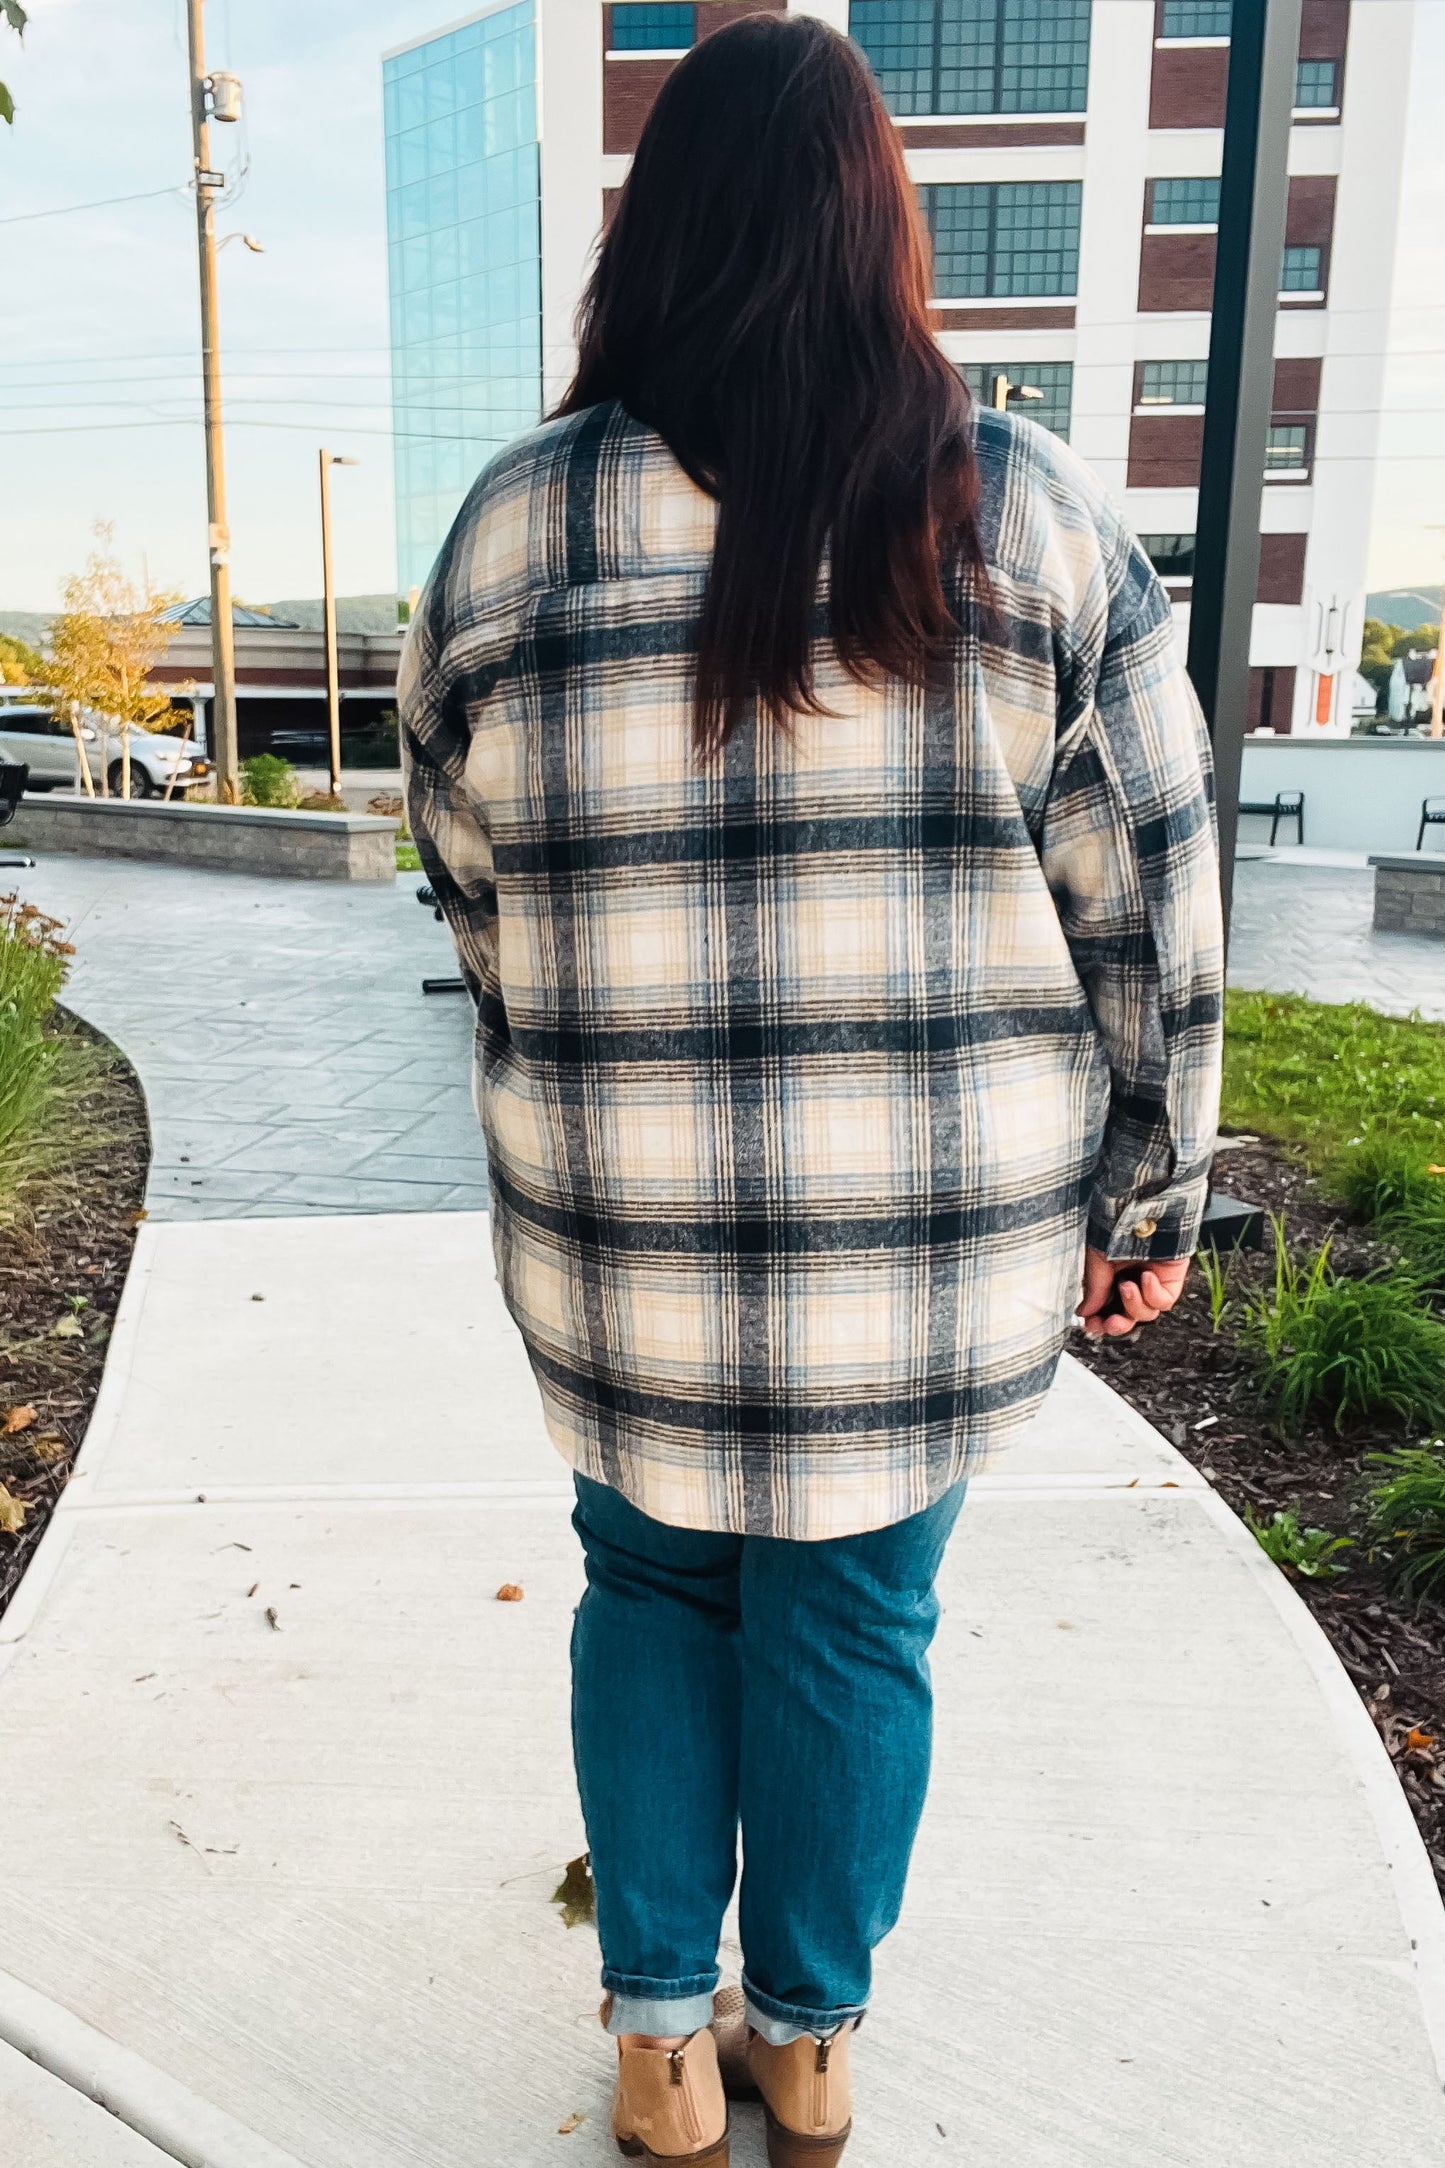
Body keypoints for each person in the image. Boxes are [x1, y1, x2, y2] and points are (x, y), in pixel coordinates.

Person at [401, 16, 1223, 2165]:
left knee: (653, 1587)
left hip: (625, 1240)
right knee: (859, 1608)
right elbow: (1156, 897)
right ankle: (815, 2037)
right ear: (887, 229)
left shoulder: (510, 533)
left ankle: (663, 2046)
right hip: (920, 1259)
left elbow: (467, 886)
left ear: (649, 233)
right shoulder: (1025, 514)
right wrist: (1152, 1197)